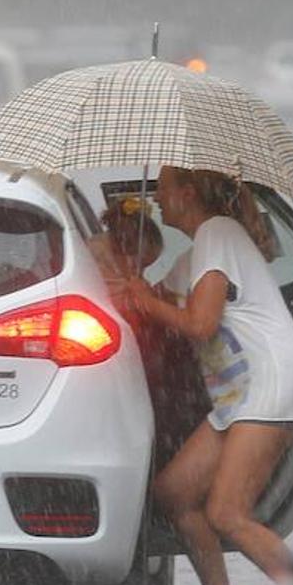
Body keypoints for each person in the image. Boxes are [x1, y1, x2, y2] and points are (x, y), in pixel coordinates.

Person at [122, 166, 293, 585]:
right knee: (175, 493)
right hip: (238, 393)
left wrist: (145, 302)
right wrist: (127, 251)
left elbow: (198, 323)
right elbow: (147, 296)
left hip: (269, 383)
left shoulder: (217, 231)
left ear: (188, 193)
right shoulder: (198, 251)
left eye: (164, 189)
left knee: (228, 513)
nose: (157, 200)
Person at [100, 197, 211, 469]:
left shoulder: (104, 261)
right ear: (126, 254)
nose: (144, 273)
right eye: (143, 265)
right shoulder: (107, 275)